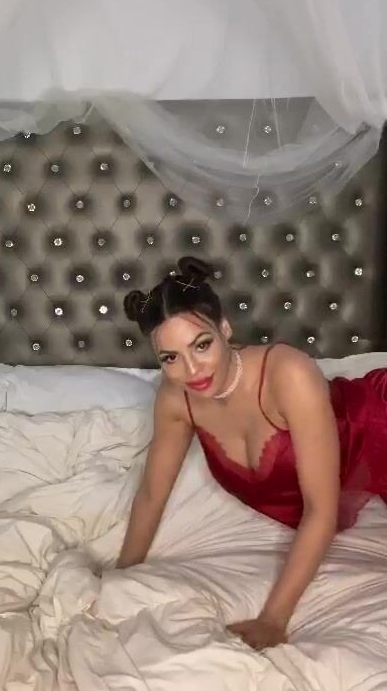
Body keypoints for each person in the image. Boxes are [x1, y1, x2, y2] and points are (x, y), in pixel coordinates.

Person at [115, 256, 387, 651]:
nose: (192, 370)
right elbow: (152, 494)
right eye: (170, 358)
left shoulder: (289, 374)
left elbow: (321, 510)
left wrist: (272, 620)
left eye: (202, 345)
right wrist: (122, 574)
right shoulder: (177, 399)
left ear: (225, 329)